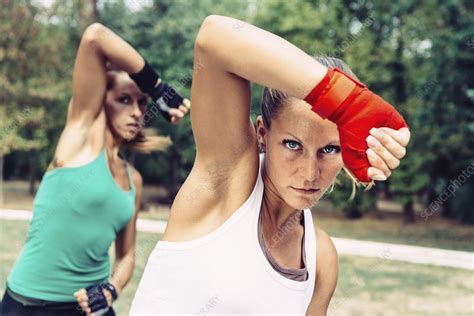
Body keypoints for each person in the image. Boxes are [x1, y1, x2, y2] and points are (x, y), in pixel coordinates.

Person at [129, 15, 410, 315]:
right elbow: (214, 38)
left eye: (330, 149)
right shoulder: (228, 184)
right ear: (263, 133)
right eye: (293, 145)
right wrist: (346, 101)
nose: (310, 172)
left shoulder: (320, 258)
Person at [1, 22, 189, 316]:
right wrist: (155, 87)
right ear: (101, 101)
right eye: (124, 100)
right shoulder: (79, 138)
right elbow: (95, 37)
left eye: (142, 103)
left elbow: (126, 256)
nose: (137, 111)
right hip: (29, 306)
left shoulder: (133, 180)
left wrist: (110, 290)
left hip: (91, 310)